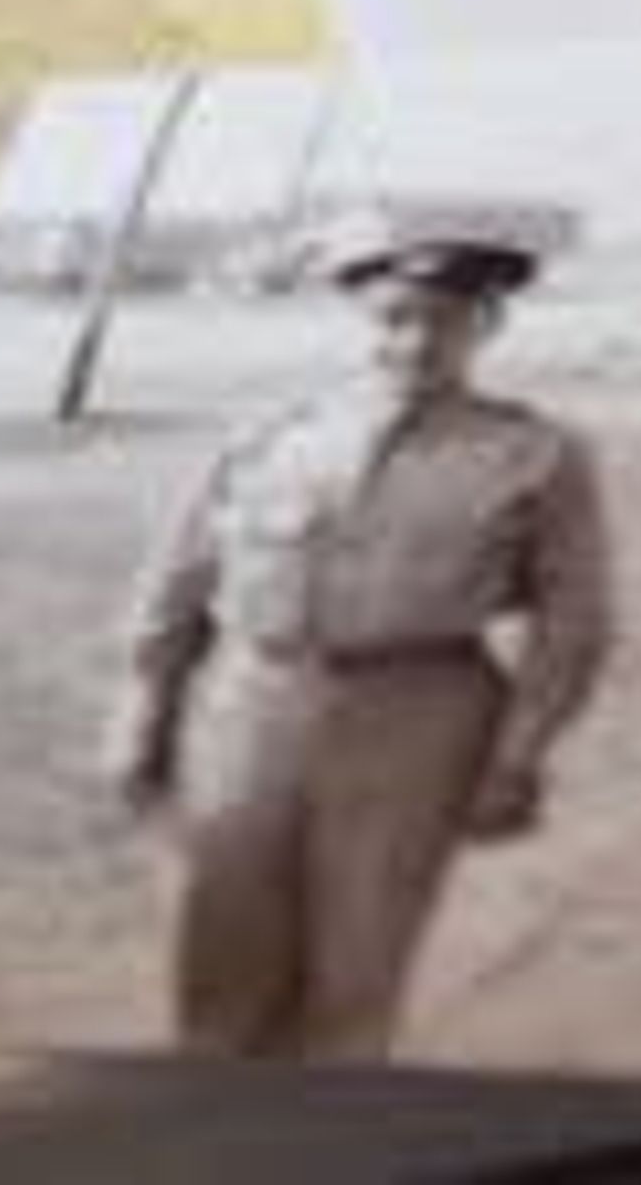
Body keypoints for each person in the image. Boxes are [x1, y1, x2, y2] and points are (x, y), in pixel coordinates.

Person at [108, 223, 612, 1060]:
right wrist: (141, 708)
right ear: (366, 319)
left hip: (417, 721)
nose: (415, 341)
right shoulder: (273, 436)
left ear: (488, 325)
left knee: (357, 968)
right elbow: (178, 582)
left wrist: (516, 757)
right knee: (220, 958)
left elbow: (574, 623)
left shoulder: (536, 455)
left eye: (446, 320)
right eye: (395, 318)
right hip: (252, 707)